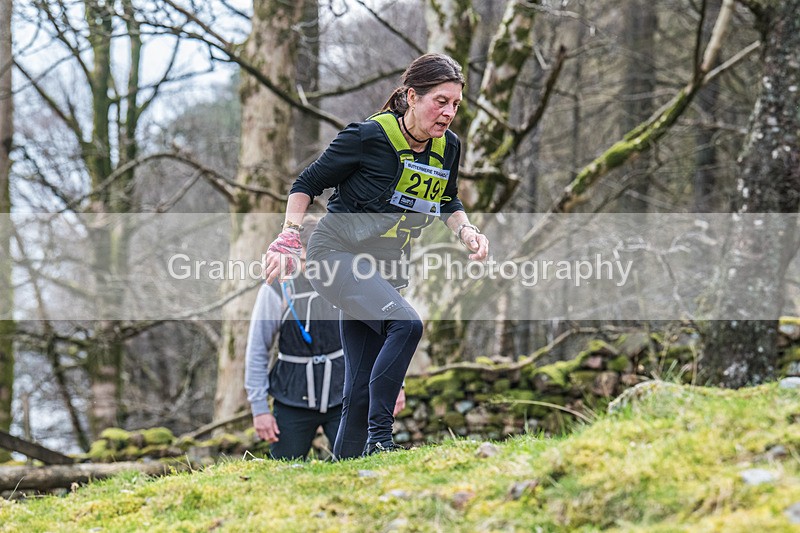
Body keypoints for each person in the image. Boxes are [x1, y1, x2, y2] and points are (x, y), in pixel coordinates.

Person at [264, 53, 488, 459]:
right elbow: (306, 182)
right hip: (334, 254)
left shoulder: (448, 148)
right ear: (410, 96)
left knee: (358, 383)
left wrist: (466, 230)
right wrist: (289, 235)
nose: (449, 113)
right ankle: (381, 441)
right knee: (406, 325)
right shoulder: (368, 137)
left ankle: (346, 469)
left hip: (385, 268)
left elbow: (447, 199)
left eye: (455, 104)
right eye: (440, 101)